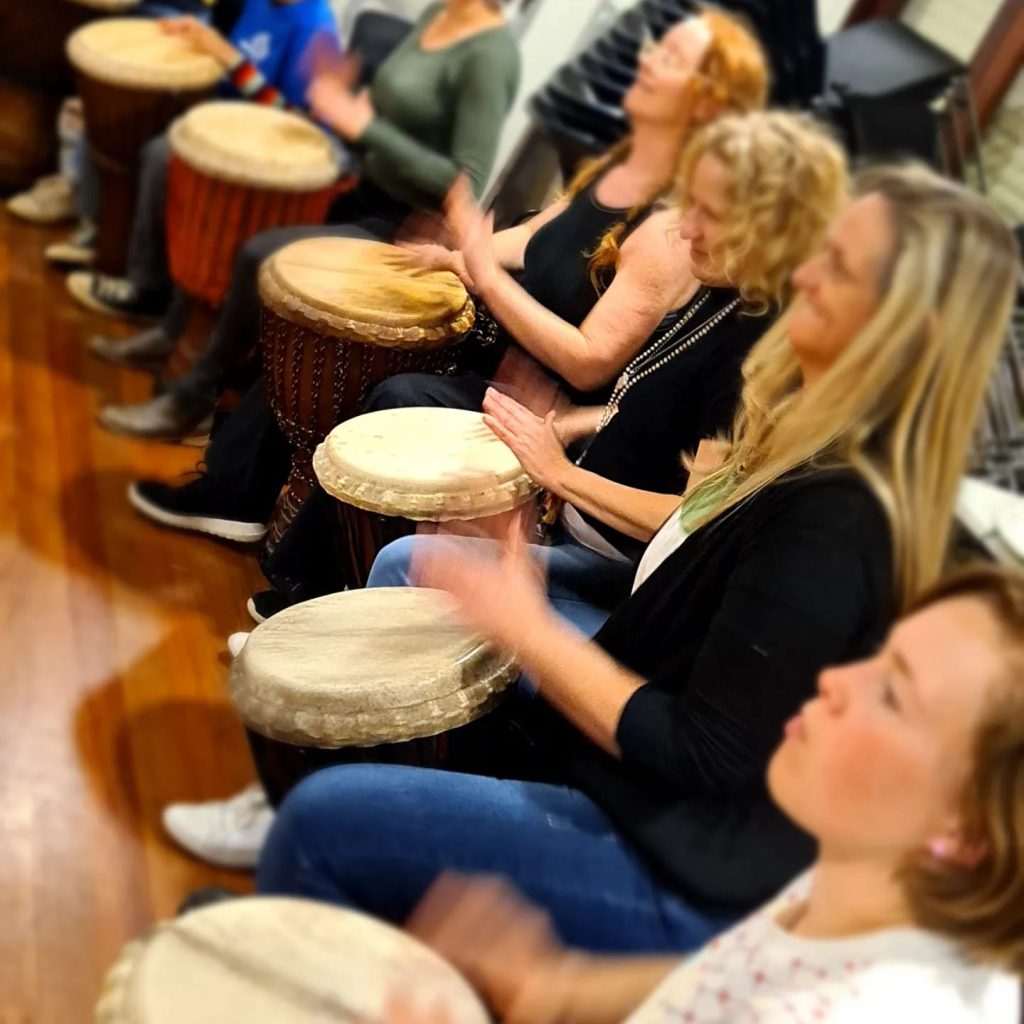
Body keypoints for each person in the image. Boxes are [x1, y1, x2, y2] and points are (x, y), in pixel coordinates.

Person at [252, 165, 1019, 953]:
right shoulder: (813, 428)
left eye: (841, 265)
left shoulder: (843, 511)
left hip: (686, 866)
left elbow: (704, 752)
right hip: (650, 756)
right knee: (408, 574)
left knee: (321, 825)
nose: (805, 271)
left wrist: (524, 618)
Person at [161, 110, 847, 869]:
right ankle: (330, 733)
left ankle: (341, 797)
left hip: (631, 590)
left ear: (771, 223)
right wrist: (571, 426)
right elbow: (648, 416)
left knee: (421, 525)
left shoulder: (762, 351)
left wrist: (560, 479)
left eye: (710, 213)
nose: (685, 229)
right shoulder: (722, 295)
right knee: (400, 562)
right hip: (594, 534)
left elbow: (695, 518)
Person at [123, 10, 768, 554]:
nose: (648, 57)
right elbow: (528, 242)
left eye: (672, 58)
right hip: (495, 352)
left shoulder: (669, 232)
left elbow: (591, 360)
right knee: (334, 312)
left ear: (706, 102)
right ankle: (238, 491)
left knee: (390, 383)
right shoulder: (617, 168)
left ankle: (298, 563)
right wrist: (459, 254)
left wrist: (484, 277)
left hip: (530, 402)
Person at [398, 564, 1024, 1022]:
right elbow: (730, 974)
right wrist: (558, 989)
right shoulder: (858, 885)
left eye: (892, 694)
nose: (833, 680)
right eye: (877, 657)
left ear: (962, 831)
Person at [84, 0, 523, 438]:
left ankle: (194, 400)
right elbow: (395, 113)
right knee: (233, 205)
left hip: (401, 225)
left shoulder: (490, 56)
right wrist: (344, 94)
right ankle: (173, 330)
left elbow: (468, 180)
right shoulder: (438, 14)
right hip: (359, 181)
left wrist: (363, 126)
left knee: (259, 252)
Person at [49, 0, 340, 271]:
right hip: (217, 113)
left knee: (160, 152)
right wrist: (194, 34)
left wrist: (229, 58)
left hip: (263, 144)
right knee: (121, 107)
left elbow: (301, 125)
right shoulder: (258, 3)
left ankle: (142, 283)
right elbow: (222, 57)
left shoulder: (316, 29)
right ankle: (100, 233)